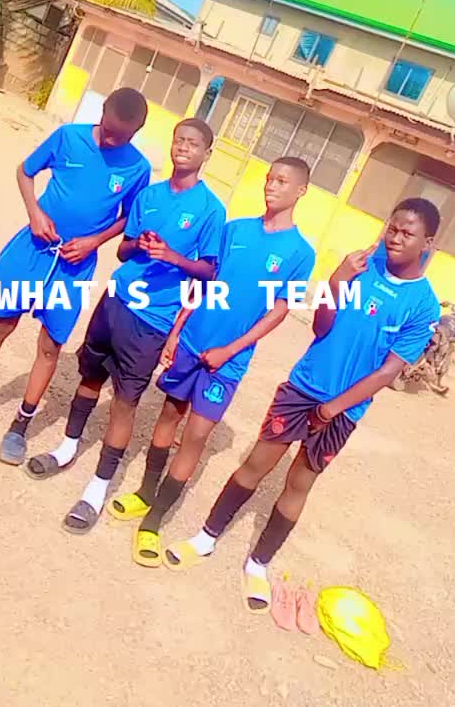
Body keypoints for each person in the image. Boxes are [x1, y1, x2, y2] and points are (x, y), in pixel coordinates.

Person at [164, 197, 441, 622]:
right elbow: (321, 325)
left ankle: (258, 564)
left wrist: (332, 410)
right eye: (393, 228)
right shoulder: (362, 267)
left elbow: (389, 372)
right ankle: (206, 536)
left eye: (408, 233)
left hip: (344, 411)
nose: (396, 238)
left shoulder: (424, 305)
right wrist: (339, 279)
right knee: (256, 464)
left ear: (427, 242)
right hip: (302, 388)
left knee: (299, 483)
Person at [110, 157, 316, 567]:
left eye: (281, 181)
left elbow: (278, 312)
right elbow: (205, 283)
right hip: (190, 341)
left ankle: (154, 520)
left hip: (228, 361)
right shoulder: (235, 230)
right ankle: (146, 492)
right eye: (269, 179)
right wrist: (176, 330)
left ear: (301, 191)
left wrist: (230, 349)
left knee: (197, 435)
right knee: (169, 415)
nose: (271, 186)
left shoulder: (301, 253)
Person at [0, 88, 150, 465]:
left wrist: (94, 241)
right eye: (110, 130)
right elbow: (25, 171)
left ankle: (19, 427)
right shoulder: (68, 137)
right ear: (103, 113)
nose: (112, 140)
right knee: (1, 323)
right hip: (33, 250)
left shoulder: (138, 168)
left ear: (136, 131)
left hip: (74, 266)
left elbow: (130, 217)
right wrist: (34, 212)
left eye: (123, 136)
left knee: (50, 345)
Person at [33, 119, 225, 530]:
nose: (183, 148)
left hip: (152, 319)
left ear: (207, 154)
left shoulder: (212, 209)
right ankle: (66, 447)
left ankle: (97, 489)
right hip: (116, 299)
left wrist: (173, 257)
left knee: (125, 400)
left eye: (193, 144)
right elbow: (122, 251)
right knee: (90, 376)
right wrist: (140, 243)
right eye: (179, 140)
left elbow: (210, 270)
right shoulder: (150, 195)